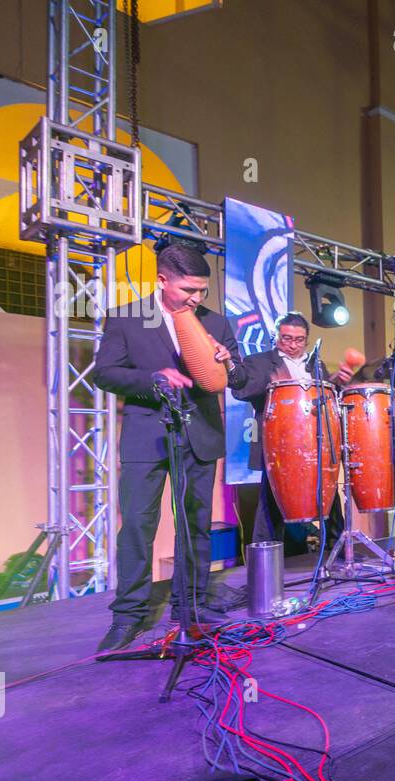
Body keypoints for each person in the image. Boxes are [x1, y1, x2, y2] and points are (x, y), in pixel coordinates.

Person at [95, 243, 247, 651]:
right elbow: (105, 373)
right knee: (139, 526)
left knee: (195, 524)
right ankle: (129, 615)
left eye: (202, 291)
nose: (196, 299)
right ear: (162, 280)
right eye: (188, 291)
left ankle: (190, 607)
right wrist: (153, 379)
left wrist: (227, 362)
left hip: (200, 434)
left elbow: (238, 379)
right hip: (148, 433)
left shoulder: (216, 322)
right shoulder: (128, 318)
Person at [231, 312, 355, 549]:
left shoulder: (314, 364)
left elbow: (325, 400)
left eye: (299, 340)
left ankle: (338, 550)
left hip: (315, 442)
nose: (292, 345)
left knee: (330, 496)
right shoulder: (260, 361)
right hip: (279, 443)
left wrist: (336, 382)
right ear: (276, 337)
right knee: (271, 503)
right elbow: (241, 391)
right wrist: (274, 382)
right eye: (286, 338)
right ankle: (264, 560)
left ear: (307, 340)